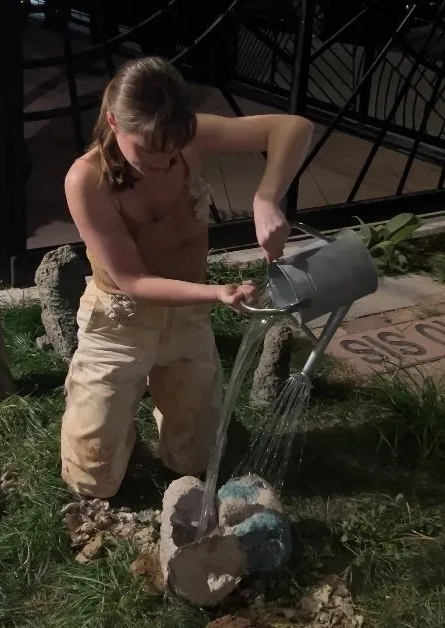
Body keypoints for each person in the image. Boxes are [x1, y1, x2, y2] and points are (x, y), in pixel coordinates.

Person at [60, 56, 314, 499]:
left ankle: (171, 431)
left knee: (194, 459)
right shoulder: (87, 180)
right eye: (146, 152)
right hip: (120, 321)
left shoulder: (187, 137)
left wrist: (267, 198)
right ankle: (113, 435)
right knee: (92, 479)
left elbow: (293, 127)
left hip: (188, 317)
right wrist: (216, 292)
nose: (161, 165)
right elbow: (132, 280)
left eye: (171, 153)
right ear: (112, 120)